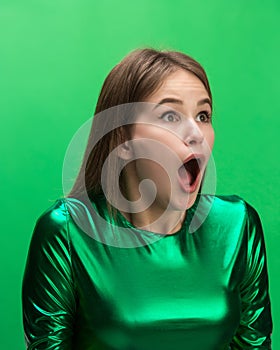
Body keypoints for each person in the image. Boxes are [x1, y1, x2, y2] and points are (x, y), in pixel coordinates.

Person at [22, 48, 273, 349]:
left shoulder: (236, 225)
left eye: (203, 115)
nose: (196, 133)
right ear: (123, 139)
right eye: (170, 115)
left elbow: (255, 344)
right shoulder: (67, 231)